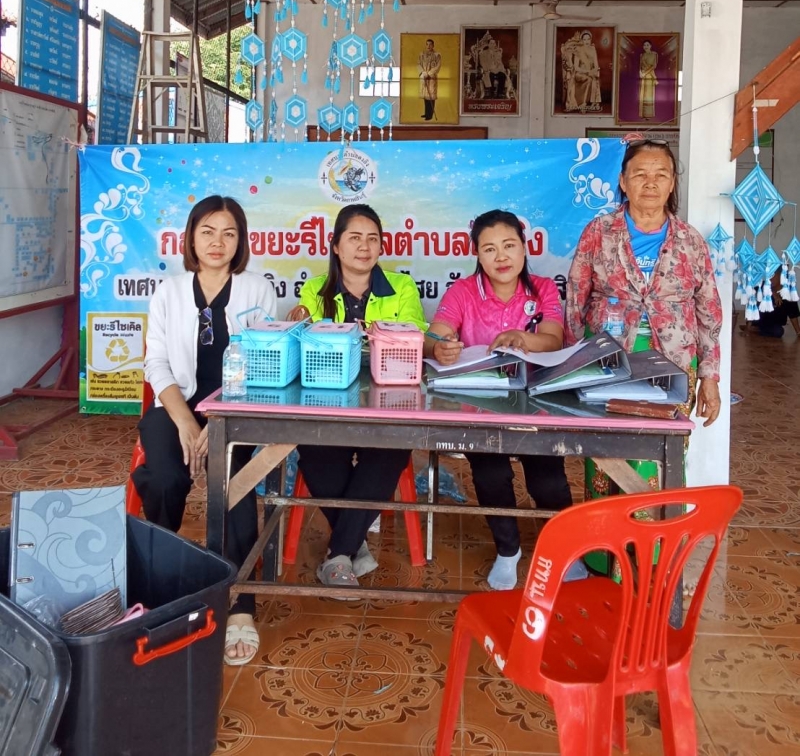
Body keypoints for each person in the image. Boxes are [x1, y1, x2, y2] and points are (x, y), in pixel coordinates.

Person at [138, 195, 276, 666]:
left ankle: (240, 603)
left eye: (229, 233)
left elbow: (262, 363)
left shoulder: (258, 290)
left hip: (236, 410)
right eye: (208, 232)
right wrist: (184, 421)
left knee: (234, 482)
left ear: (241, 241)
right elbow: (156, 363)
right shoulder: (169, 292)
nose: (218, 242)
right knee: (163, 477)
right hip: (176, 406)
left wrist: (216, 424)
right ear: (192, 239)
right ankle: (159, 575)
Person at [424, 209, 580, 592]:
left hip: (536, 404)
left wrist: (523, 339)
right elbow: (434, 336)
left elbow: (553, 340)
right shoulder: (463, 292)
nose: (501, 257)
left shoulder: (543, 288)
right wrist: (440, 347)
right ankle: (508, 550)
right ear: (477, 254)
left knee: (548, 481)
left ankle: (565, 551)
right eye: (489, 249)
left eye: (509, 245)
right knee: (491, 475)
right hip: (481, 406)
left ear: (525, 248)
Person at [566, 139, 722, 519]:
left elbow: (709, 312)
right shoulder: (599, 231)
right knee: (605, 455)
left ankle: (656, 544)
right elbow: (575, 296)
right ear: (623, 181)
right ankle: (604, 545)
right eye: (640, 174)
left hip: (672, 366)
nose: (650, 183)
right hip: (607, 362)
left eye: (660, 174)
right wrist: (571, 366)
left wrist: (710, 377)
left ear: (672, 183)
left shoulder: (690, 241)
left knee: (661, 454)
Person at [287, 204, 427, 589]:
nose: (364, 247)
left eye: (372, 239)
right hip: (328, 400)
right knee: (314, 449)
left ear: (381, 246)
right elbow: (307, 344)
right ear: (335, 245)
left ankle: (339, 553)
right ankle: (352, 545)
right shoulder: (316, 290)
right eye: (354, 238)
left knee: (391, 450)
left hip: (388, 399)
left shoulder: (402, 287)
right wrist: (299, 323)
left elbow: (413, 335)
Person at [419, 38, 441, 121]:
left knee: (431, 96)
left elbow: (437, 67)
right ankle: (426, 113)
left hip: (431, 78)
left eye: (430, 44)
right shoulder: (422, 55)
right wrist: (423, 73)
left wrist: (429, 73)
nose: (428, 46)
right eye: (427, 44)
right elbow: (418, 64)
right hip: (424, 77)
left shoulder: (437, 55)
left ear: (433, 45)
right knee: (426, 96)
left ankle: (430, 115)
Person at [638, 40, 659, 119]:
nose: (646, 46)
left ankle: (648, 115)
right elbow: (640, 66)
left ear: (650, 46)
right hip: (643, 77)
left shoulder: (654, 55)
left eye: (647, 45)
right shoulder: (642, 55)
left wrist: (645, 73)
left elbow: (653, 66)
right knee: (642, 95)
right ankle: (643, 114)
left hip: (650, 77)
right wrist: (640, 72)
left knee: (648, 96)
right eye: (644, 45)